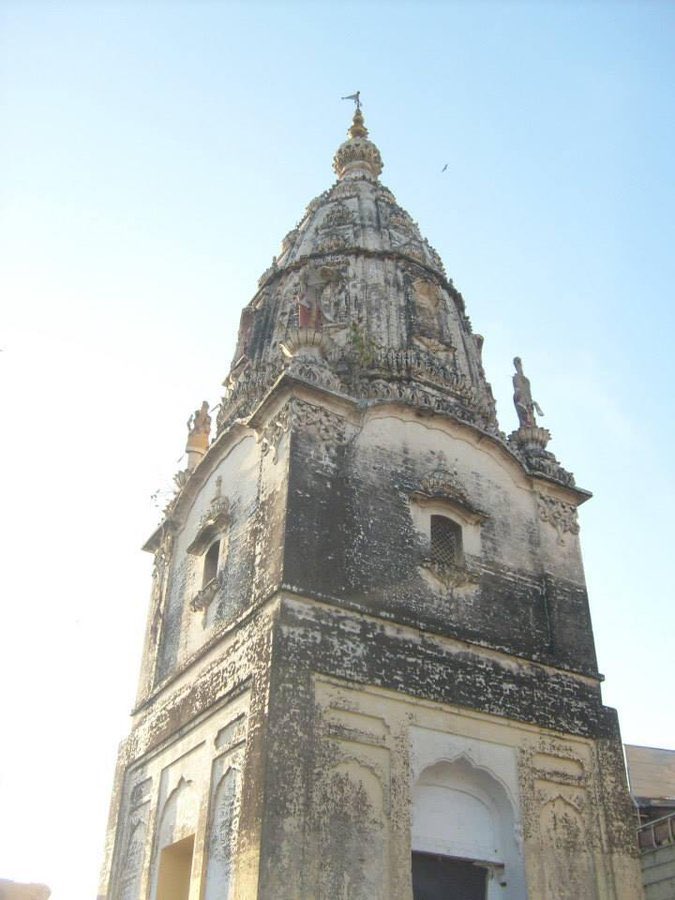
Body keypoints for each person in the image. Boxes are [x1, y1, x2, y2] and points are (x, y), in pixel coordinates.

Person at [512, 357, 544, 428]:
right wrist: (518, 395)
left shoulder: (526, 380)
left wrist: (531, 402)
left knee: (529, 415)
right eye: (516, 364)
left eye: (519, 363)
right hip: (520, 399)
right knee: (524, 413)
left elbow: (528, 392)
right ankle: (525, 423)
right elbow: (517, 389)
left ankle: (529, 423)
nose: (518, 366)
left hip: (528, 401)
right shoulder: (516, 378)